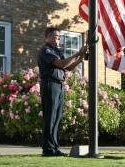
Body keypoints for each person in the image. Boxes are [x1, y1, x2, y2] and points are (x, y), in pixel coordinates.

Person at [37, 27, 87, 157]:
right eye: (56, 36)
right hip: (50, 84)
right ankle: (48, 148)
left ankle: (55, 147)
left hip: (59, 85)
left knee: (58, 117)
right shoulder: (46, 50)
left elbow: (68, 67)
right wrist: (77, 53)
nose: (59, 38)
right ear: (48, 37)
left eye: (59, 36)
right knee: (51, 117)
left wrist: (80, 57)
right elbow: (61, 64)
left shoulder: (57, 51)